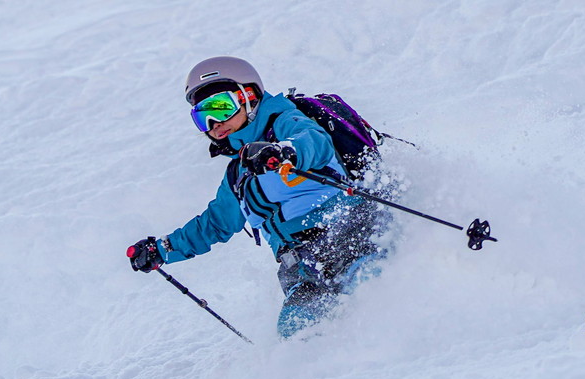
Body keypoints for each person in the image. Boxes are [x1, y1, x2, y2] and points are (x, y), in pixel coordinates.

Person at [127, 56, 395, 338]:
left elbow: (314, 140)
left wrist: (284, 152)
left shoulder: (284, 124)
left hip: (351, 235)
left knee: (374, 296)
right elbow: (215, 224)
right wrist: (163, 249)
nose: (213, 123)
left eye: (221, 107)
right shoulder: (238, 176)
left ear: (249, 97)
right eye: (201, 116)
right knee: (297, 335)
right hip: (301, 271)